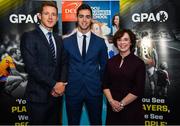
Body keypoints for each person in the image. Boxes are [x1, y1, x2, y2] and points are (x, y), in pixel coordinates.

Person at [20, 1, 67, 125]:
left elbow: (64, 63)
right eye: (46, 14)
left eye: (53, 14)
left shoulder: (58, 39)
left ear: (57, 18)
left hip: (56, 98)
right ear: (39, 16)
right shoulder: (29, 36)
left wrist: (60, 85)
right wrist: (54, 85)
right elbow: (32, 67)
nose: (50, 17)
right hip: (37, 98)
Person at [63, 4, 108, 125]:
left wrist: (100, 84)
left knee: (96, 122)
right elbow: (63, 66)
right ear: (77, 18)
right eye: (81, 16)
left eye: (87, 17)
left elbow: (105, 67)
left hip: (94, 91)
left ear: (91, 19)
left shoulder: (100, 42)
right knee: (72, 123)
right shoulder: (66, 42)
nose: (84, 20)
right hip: (73, 91)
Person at [102, 29, 146, 125]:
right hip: (113, 109)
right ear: (116, 42)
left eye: (125, 39)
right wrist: (111, 101)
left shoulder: (139, 63)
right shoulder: (110, 62)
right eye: (119, 40)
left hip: (132, 110)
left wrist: (121, 104)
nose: (122, 43)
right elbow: (105, 84)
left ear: (131, 42)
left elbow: (138, 89)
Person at [136, 31, 158, 96]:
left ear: (142, 36)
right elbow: (156, 55)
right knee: (151, 79)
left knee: (140, 80)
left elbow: (137, 54)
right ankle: (153, 93)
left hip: (141, 64)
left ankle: (140, 94)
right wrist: (156, 65)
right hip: (150, 63)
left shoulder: (139, 42)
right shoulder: (151, 42)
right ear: (147, 35)